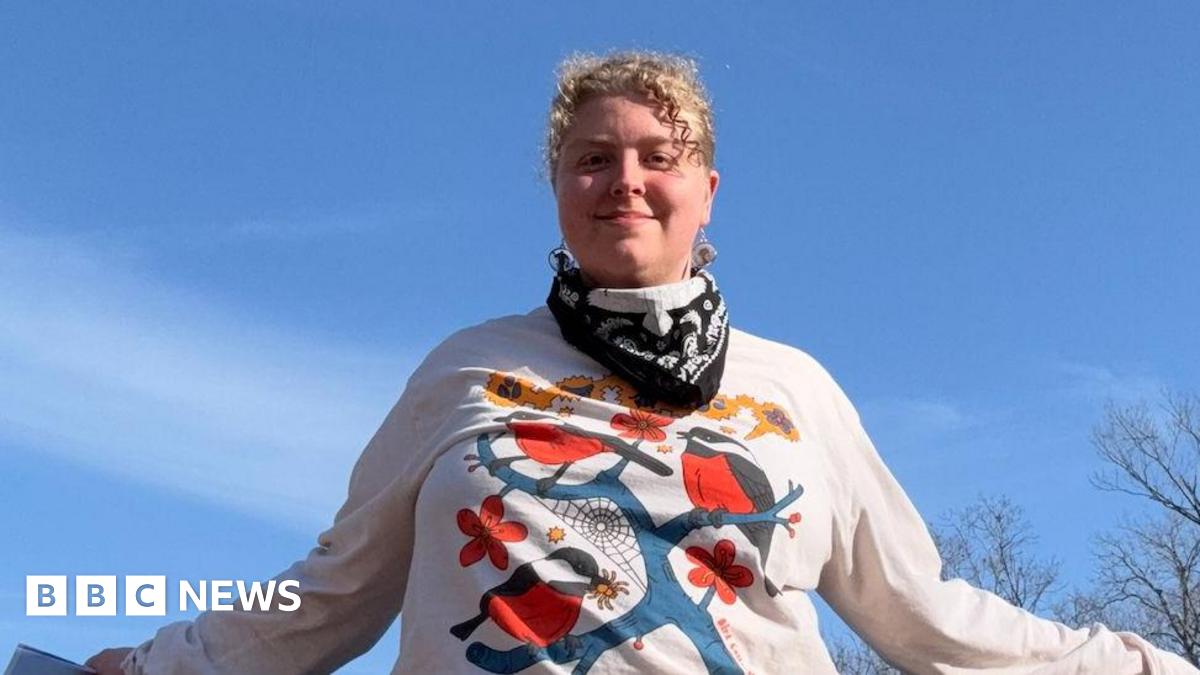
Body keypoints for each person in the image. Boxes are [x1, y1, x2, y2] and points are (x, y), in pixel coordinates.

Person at [87, 51, 1197, 675]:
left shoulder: (794, 388)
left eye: (658, 157)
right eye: (591, 159)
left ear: (707, 188)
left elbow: (922, 616)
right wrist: (147, 669)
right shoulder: (463, 373)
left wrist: (1146, 667)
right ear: (558, 186)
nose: (625, 180)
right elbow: (329, 598)